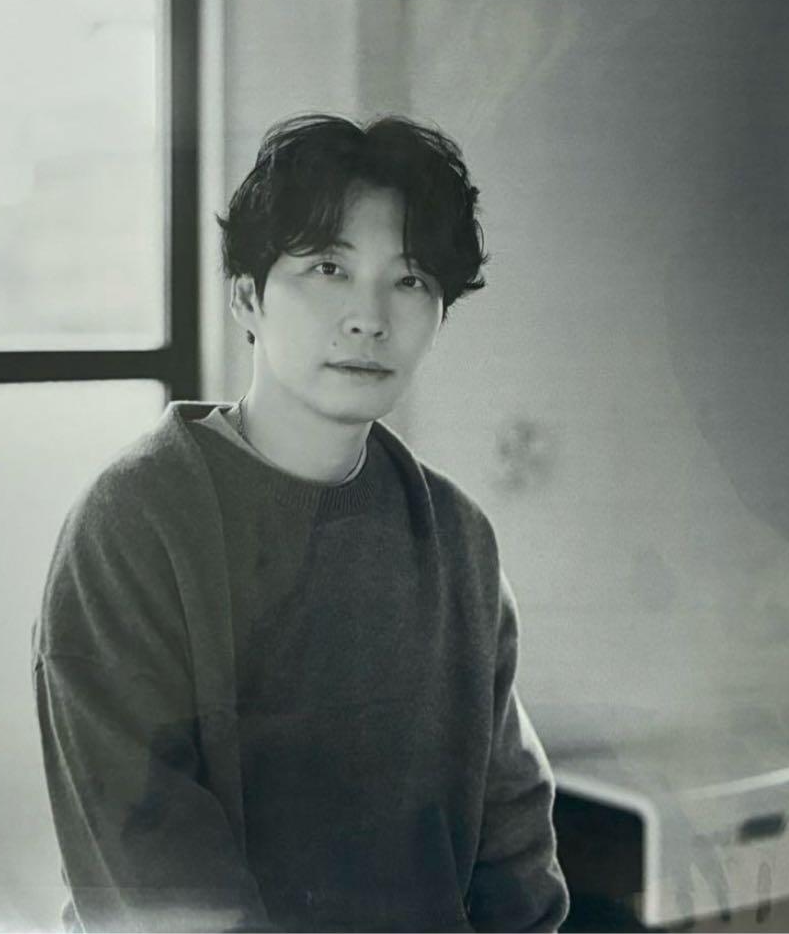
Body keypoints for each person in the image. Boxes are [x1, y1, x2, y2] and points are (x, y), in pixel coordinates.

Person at [32, 113, 570, 933]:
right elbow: (152, 882)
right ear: (247, 296)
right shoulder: (134, 527)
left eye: (411, 280)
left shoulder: (460, 539)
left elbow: (516, 851)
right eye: (328, 268)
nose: (369, 317)